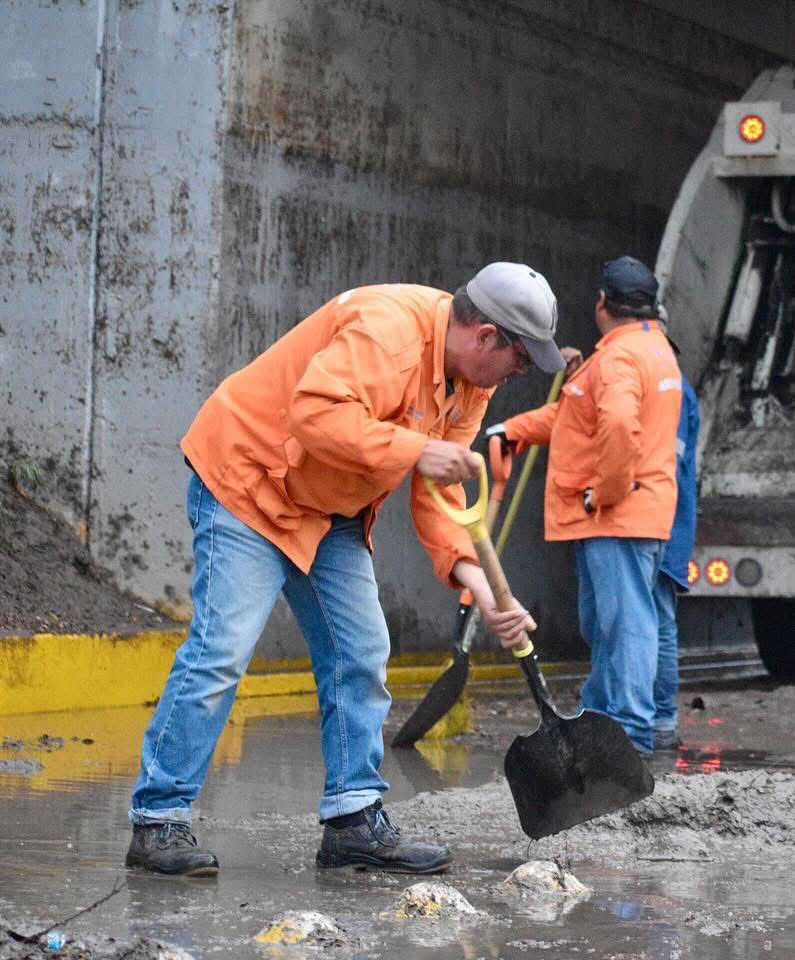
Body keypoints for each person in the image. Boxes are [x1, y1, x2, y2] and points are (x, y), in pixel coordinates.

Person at [127, 264, 562, 877]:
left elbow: (440, 492)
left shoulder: (471, 382)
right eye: (520, 358)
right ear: (486, 335)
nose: (522, 372)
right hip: (249, 484)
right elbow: (315, 415)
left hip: (330, 509)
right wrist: (418, 449)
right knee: (221, 651)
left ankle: (352, 820)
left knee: (360, 652)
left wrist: (480, 588)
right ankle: (158, 819)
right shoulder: (388, 331)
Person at [487, 256, 683, 753]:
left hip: (616, 515)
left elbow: (616, 423)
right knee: (610, 624)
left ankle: (629, 733)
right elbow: (577, 416)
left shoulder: (619, 357)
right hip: (635, 513)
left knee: (624, 627)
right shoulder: (653, 349)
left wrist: (606, 491)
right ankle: (604, 720)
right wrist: (514, 430)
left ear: (602, 303)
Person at [651, 307, 700, 752]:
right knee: (653, 619)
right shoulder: (674, 384)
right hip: (664, 518)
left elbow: (665, 457)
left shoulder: (672, 389)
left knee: (657, 621)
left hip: (660, 521)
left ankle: (662, 719)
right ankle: (658, 718)